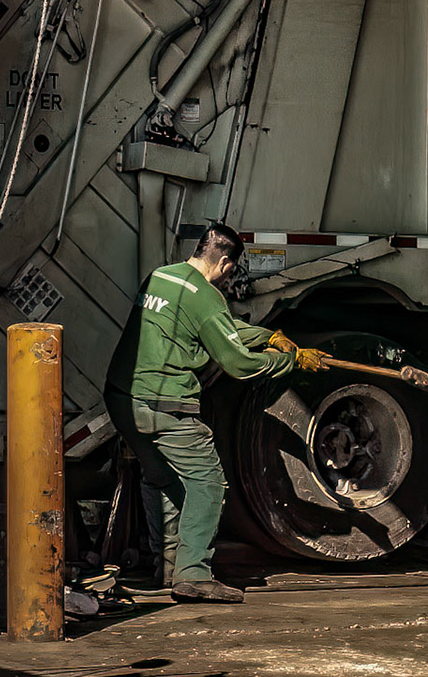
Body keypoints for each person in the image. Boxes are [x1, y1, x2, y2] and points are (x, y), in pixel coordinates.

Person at [104, 221, 318, 602]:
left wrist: (266, 334)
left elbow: (211, 327)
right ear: (224, 264)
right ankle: (193, 574)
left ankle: (168, 566)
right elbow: (238, 363)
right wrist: (285, 360)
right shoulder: (206, 296)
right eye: (230, 271)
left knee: (162, 478)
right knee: (206, 483)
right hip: (165, 405)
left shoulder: (162, 277)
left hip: (123, 400)